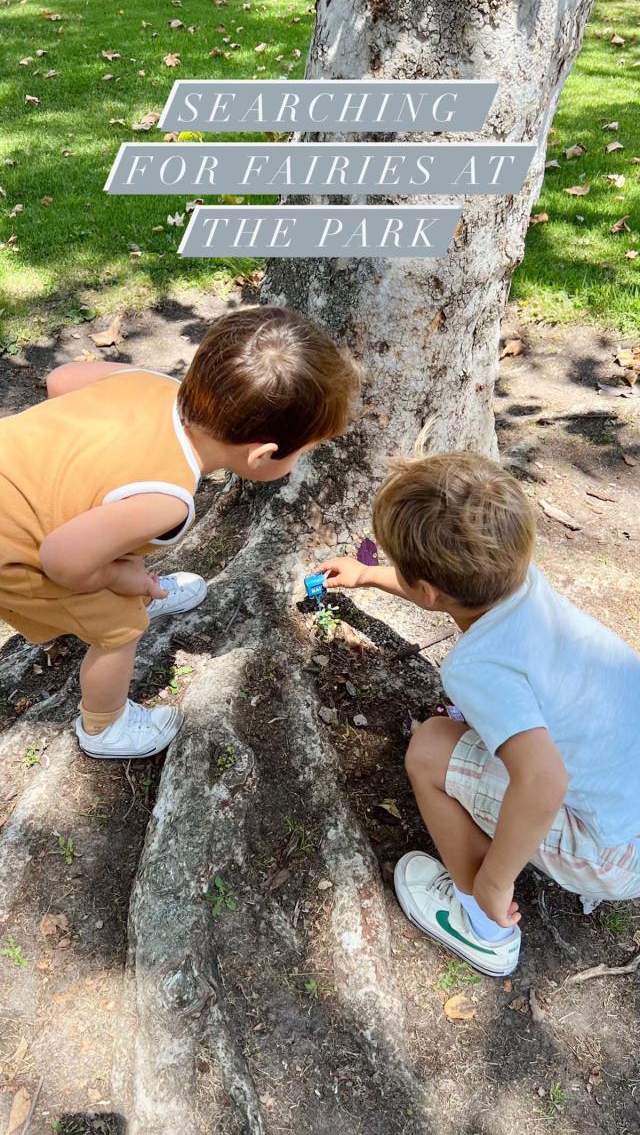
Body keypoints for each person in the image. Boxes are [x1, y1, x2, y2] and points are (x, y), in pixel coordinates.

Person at [320, 451, 640, 976]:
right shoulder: (521, 581)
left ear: (428, 590)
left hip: (613, 853)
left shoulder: (478, 665)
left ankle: (482, 926)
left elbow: (543, 781)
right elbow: (444, 591)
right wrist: (369, 576)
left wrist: (496, 880)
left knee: (429, 748)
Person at [0, 305, 360, 760]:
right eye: (304, 452)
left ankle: (136, 586)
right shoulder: (167, 499)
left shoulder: (152, 384)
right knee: (121, 627)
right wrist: (119, 580)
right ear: (262, 456)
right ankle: (104, 725)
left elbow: (63, 379)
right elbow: (61, 561)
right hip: (15, 547)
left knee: (109, 530)